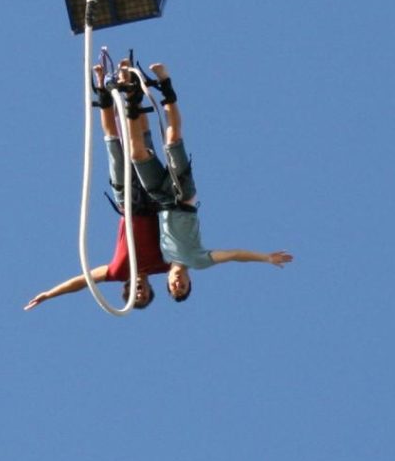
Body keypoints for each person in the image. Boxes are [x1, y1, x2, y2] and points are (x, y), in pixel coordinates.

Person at [123, 62, 293, 302]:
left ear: (168, 283)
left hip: (161, 199)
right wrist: (265, 257)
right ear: (189, 281)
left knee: (136, 155)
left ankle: (131, 99)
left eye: (174, 287)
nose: (178, 283)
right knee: (172, 138)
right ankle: (165, 84)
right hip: (183, 196)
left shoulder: (160, 259)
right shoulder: (199, 260)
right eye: (183, 287)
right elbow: (234, 255)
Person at [23, 67, 170, 312]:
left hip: (128, 203)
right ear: (151, 289)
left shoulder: (117, 271)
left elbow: (82, 281)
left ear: (127, 289)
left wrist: (50, 294)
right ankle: (131, 91)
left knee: (113, 143)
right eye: (144, 294)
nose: (140, 291)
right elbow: (190, 260)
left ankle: (102, 88)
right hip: (152, 201)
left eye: (136, 295)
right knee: (141, 143)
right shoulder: (161, 265)